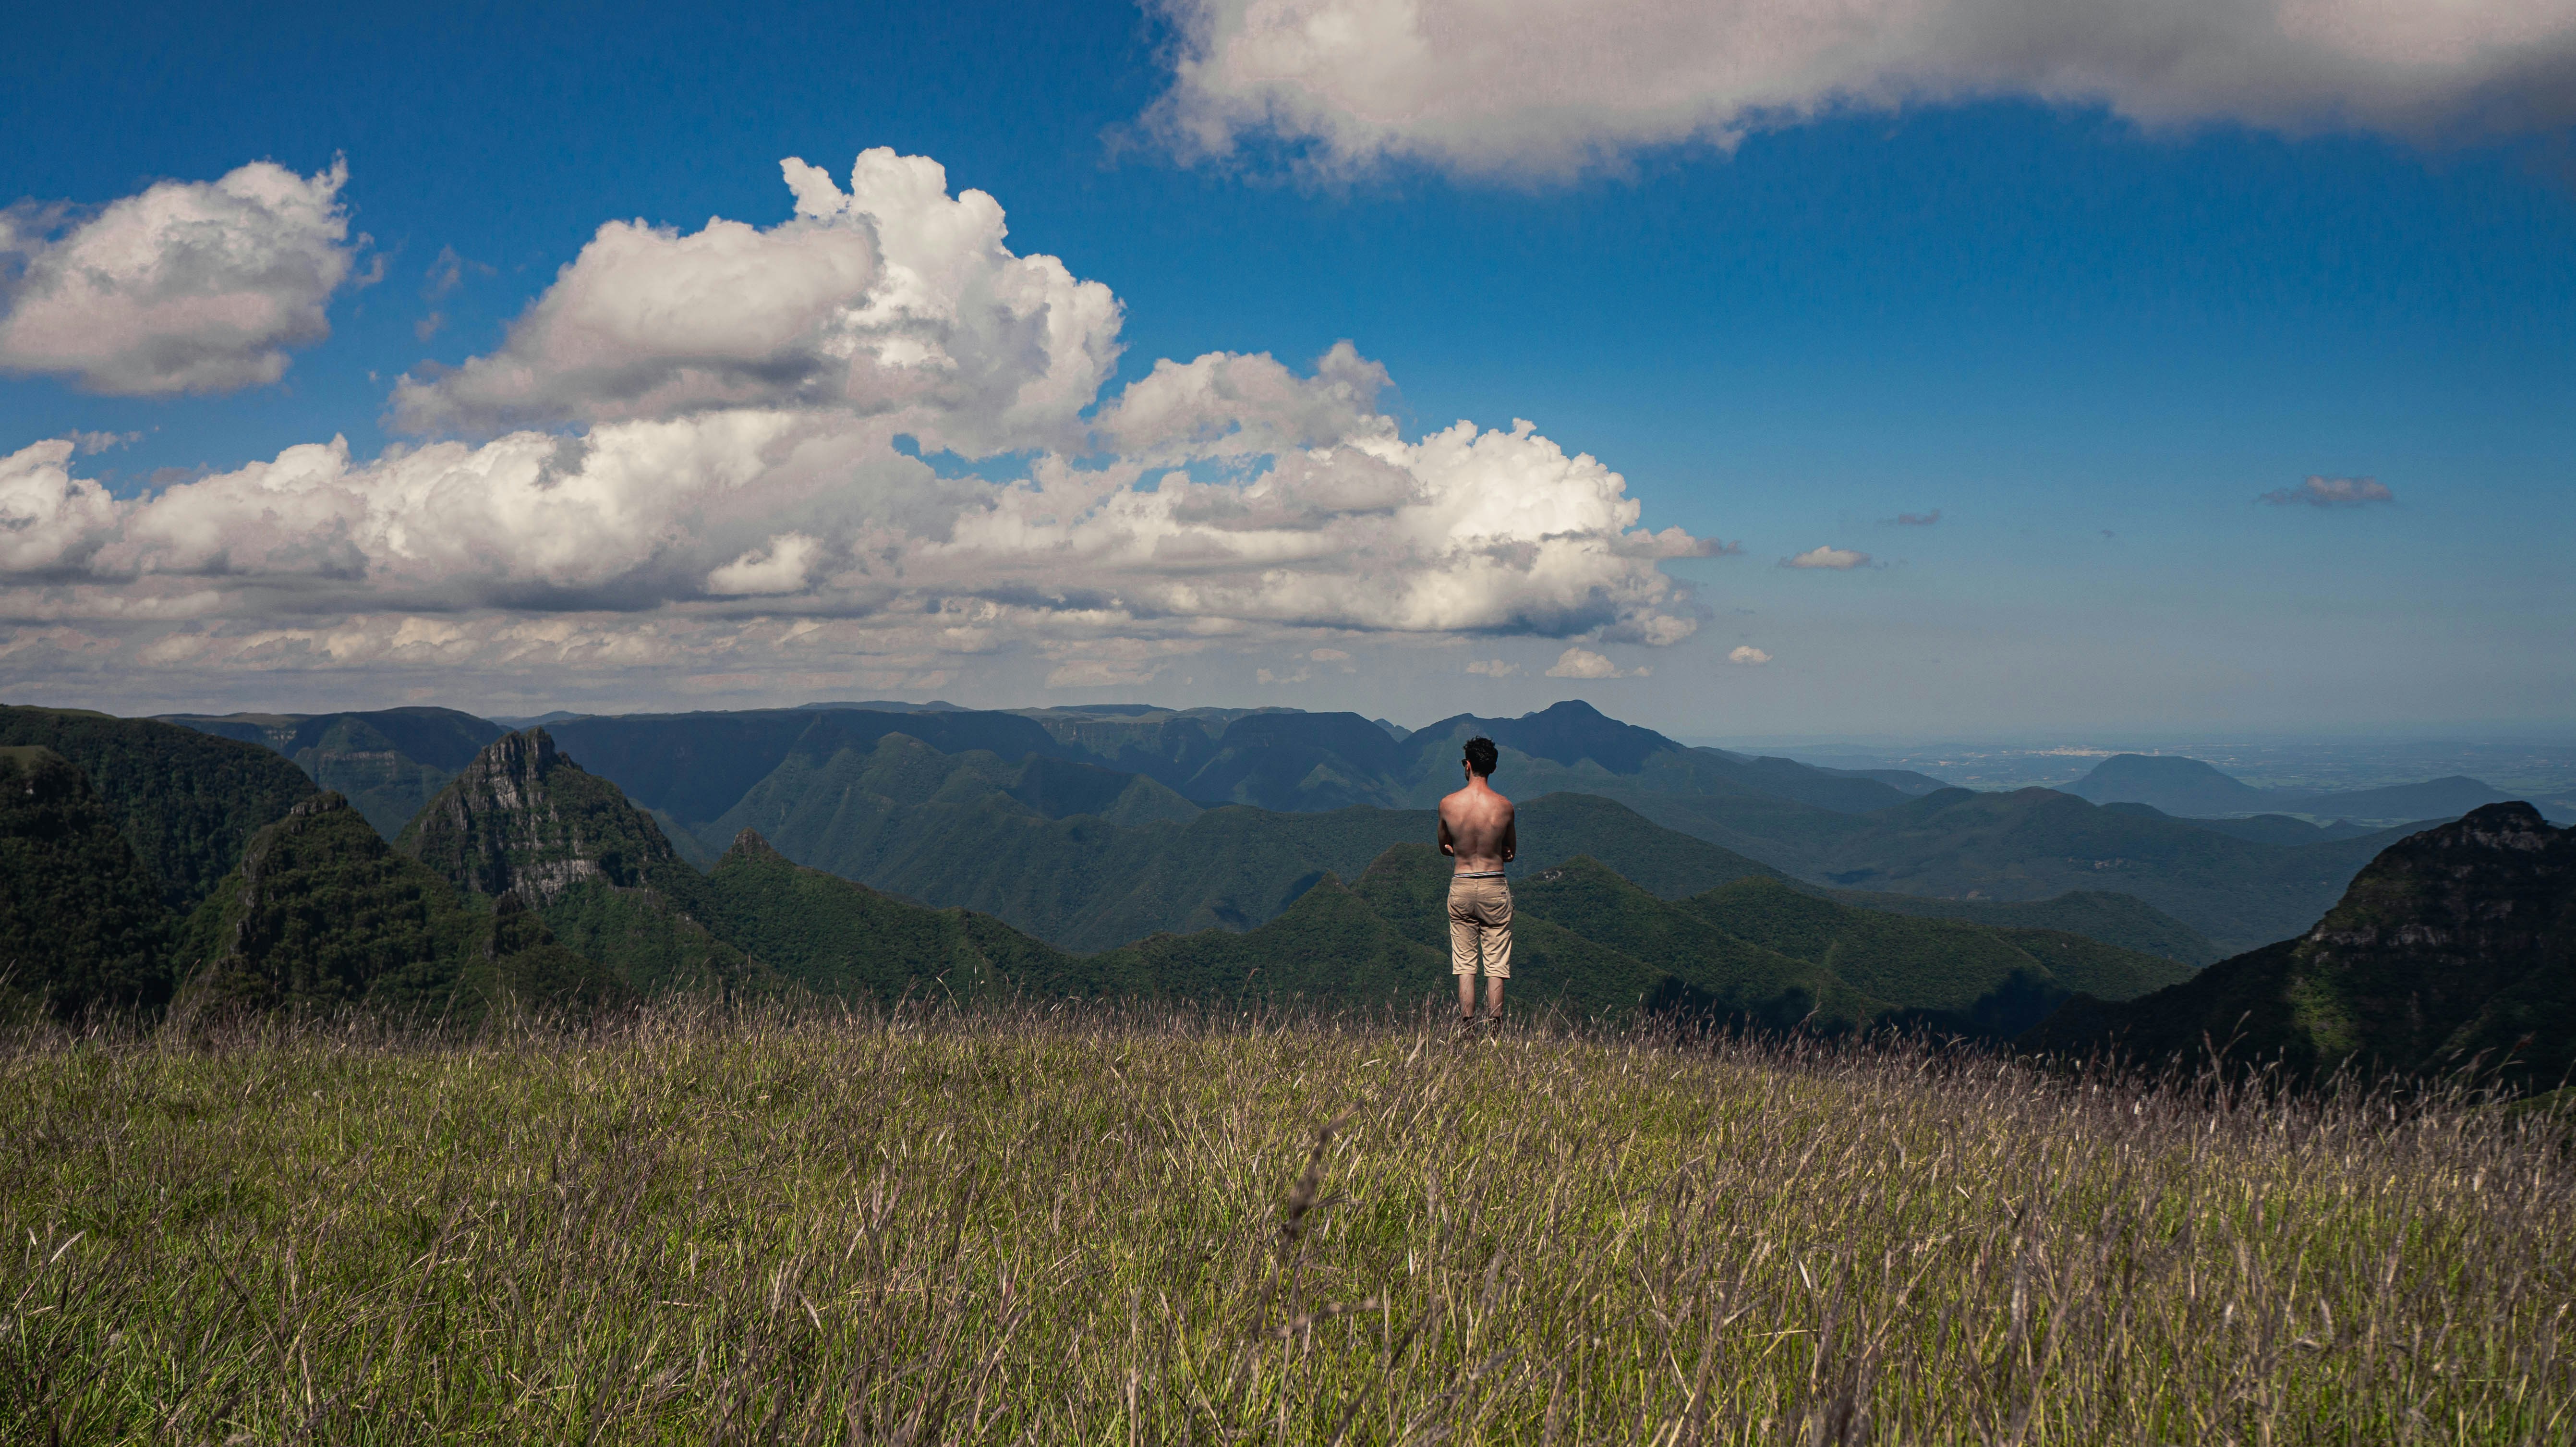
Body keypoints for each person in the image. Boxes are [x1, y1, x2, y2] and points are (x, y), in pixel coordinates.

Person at [1438, 735, 1516, 1025]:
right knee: (1496, 964)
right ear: (1492, 768)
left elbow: (1443, 845)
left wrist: (1458, 849)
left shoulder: (1448, 804)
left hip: (1462, 883)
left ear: (1468, 765)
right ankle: (1495, 1033)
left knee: (1465, 964)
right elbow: (1511, 851)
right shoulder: (1505, 807)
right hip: (1495, 884)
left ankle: (1467, 1030)